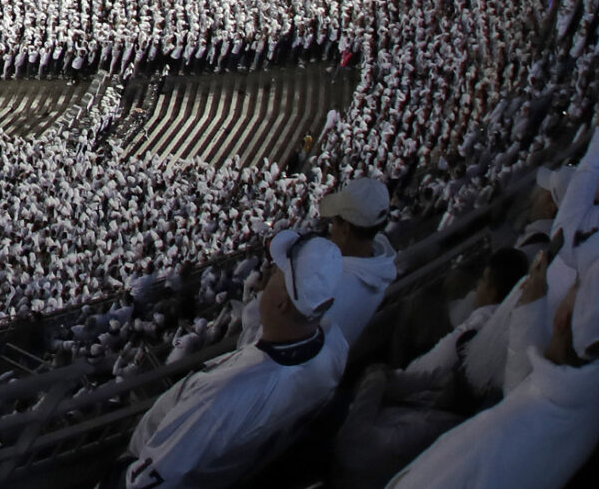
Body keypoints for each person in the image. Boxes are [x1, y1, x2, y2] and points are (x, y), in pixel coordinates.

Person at [126, 231, 348, 489]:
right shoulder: (335, 344)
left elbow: (144, 484)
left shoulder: (220, 398)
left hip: (145, 460)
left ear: (282, 304)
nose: (266, 274)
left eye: (276, 273)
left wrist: (120, 471)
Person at [388, 262, 599, 489]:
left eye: (575, 283)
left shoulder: (496, 441)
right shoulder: (574, 401)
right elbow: (522, 394)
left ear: (562, 318)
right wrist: (529, 310)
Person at [321, 176, 398, 351]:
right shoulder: (379, 264)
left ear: (345, 230)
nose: (331, 230)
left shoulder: (331, 288)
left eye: (333, 223)